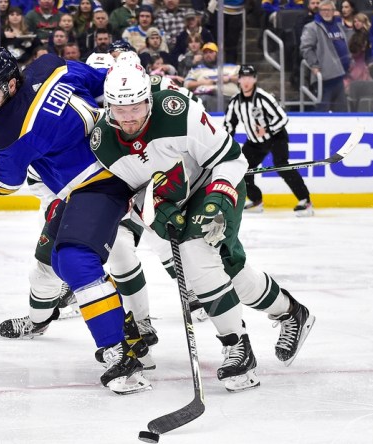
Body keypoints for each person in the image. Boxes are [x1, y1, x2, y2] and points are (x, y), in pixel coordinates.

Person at [90, 55, 317, 392]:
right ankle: (291, 311)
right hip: (174, 200)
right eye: (120, 110)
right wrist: (154, 208)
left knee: (197, 256)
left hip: (215, 183)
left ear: (147, 99)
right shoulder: (102, 141)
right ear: (108, 106)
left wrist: (218, 198)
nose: (129, 118)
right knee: (229, 270)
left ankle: (237, 348)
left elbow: (230, 158)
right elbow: (133, 192)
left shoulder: (177, 110)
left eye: (136, 107)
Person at [0, 46, 152, 395]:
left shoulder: (9, 126)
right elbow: (106, 87)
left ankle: (121, 353)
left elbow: (4, 181)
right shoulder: (52, 67)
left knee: (76, 259)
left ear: (10, 85)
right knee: (53, 259)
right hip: (111, 171)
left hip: (103, 183)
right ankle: (115, 325)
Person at [224, 65, 314, 216]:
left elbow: (282, 118)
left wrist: (268, 129)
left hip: (276, 137)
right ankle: (256, 200)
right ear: (238, 80)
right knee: (242, 169)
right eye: (243, 77)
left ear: (255, 79)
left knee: (282, 166)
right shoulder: (235, 102)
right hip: (254, 142)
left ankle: (305, 201)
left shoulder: (264, 97)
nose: (246, 81)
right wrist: (225, 144)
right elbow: (229, 124)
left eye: (250, 77)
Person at [300, 0, 350, 112]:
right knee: (322, 112)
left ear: (334, 11)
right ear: (319, 12)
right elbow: (306, 48)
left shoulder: (339, 26)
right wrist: (314, 64)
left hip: (340, 75)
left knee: (342, 113)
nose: (326, 13)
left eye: (329, 10)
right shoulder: (311, 27)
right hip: (324, 77)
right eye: (323, 10)